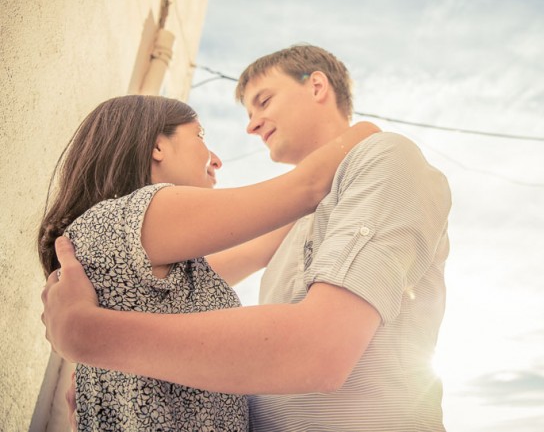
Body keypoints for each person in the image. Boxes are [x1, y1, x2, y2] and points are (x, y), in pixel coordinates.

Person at [42, 45, 452, 431]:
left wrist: (92, 338)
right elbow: (300, 192)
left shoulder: (382, 159)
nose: (251, 125)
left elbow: (316, 351)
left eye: (264, 100)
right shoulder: (277, 228)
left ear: (316, 86)